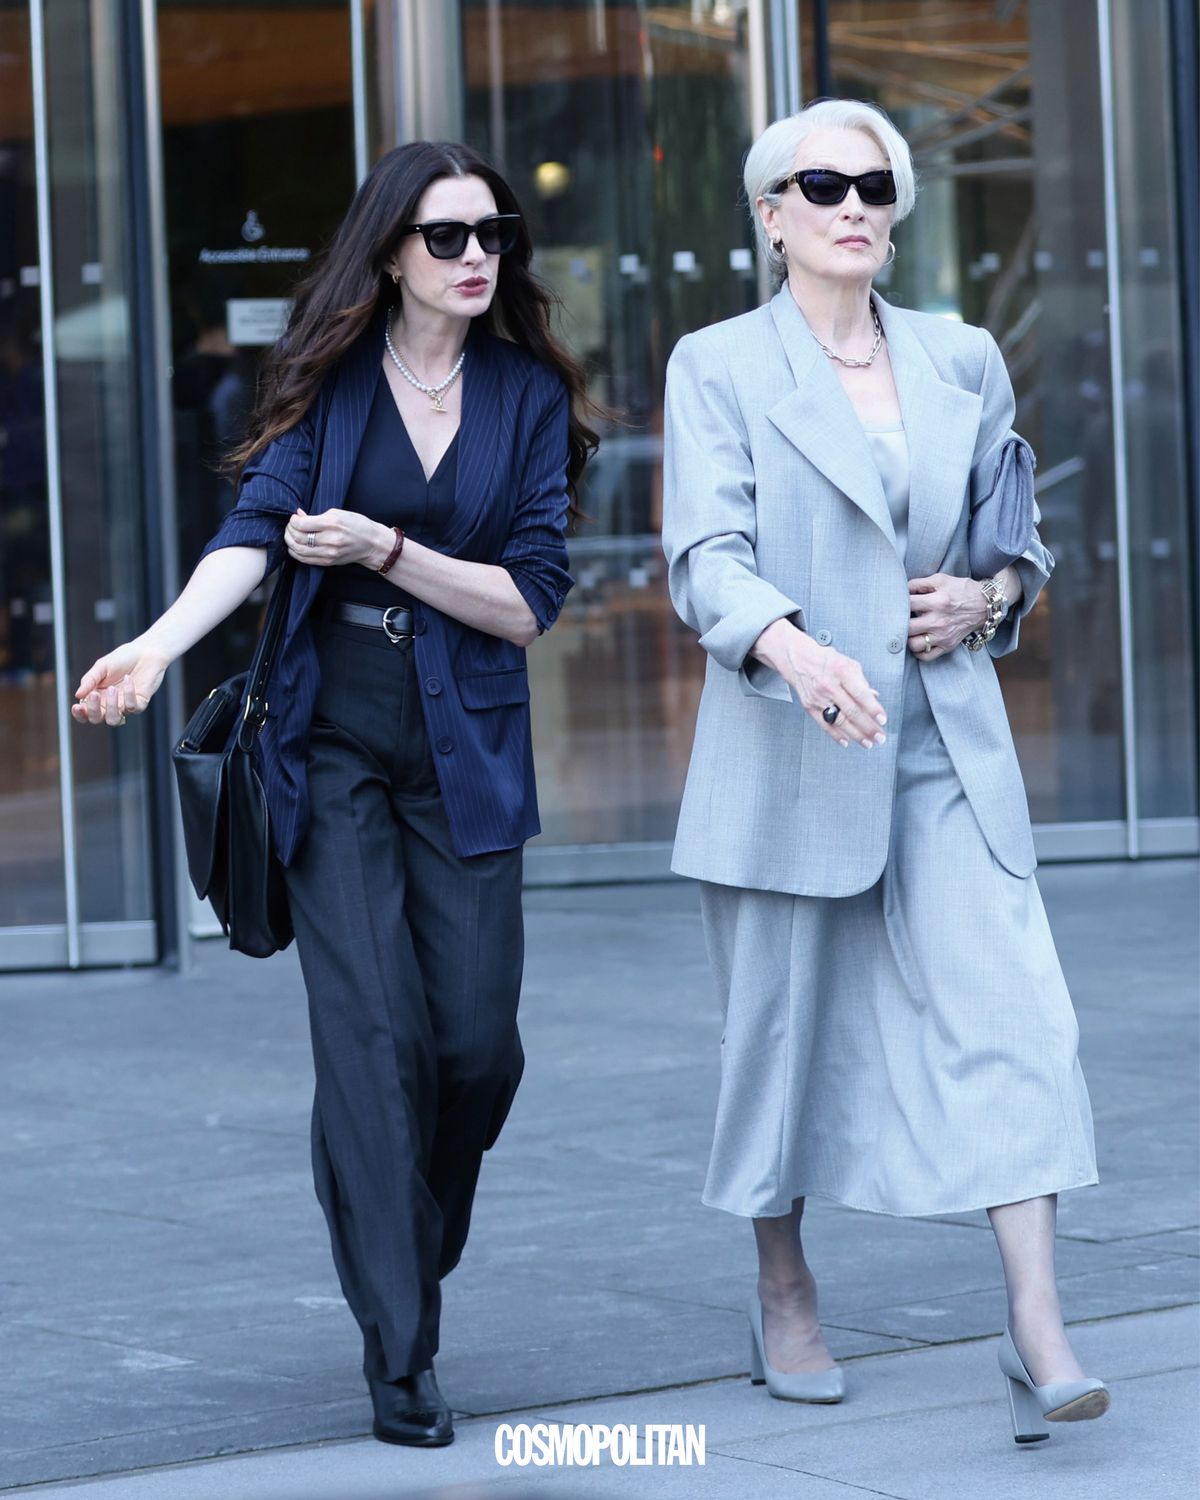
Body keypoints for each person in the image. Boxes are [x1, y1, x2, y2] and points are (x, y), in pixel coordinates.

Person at [71, 140, 597, 1448]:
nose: (475, 257)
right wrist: (155, 649)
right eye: (446, 237)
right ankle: (400, 1351)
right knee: (373, 1039)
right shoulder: (334, 384)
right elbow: (254, 533)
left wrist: (385, 548)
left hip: (468, 736)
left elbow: (529, 601)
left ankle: (400, 1235)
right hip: (332, 735)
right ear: (390, 253)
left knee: (474, 1049)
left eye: (493, 235)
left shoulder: (527, 396)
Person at [661, 98, 1110, 1445]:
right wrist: (794, 651)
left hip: (946, 746)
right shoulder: (717, 366)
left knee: (1016, 1019)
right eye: (821, 185)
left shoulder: (961, 356)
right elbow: (705, 558)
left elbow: (1015, 536)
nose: (851, 205)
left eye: (873, 186)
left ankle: (1037, 1329)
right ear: (771, 215)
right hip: (793, 741)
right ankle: (783, 1290)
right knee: (780, 1039)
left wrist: (988, 598)